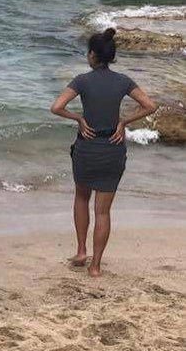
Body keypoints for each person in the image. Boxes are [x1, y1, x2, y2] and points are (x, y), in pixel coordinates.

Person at [50, 28, 157, 277]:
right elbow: (150, 105)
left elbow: (56, 107)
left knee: (81, 198)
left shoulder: (82, 80)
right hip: (112, 148)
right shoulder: (123, 81)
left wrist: (78, 118)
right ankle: (96, 266)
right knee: (103, 211)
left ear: (92, 55)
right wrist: (123, 122)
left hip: (87, 148)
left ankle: (81, 251)